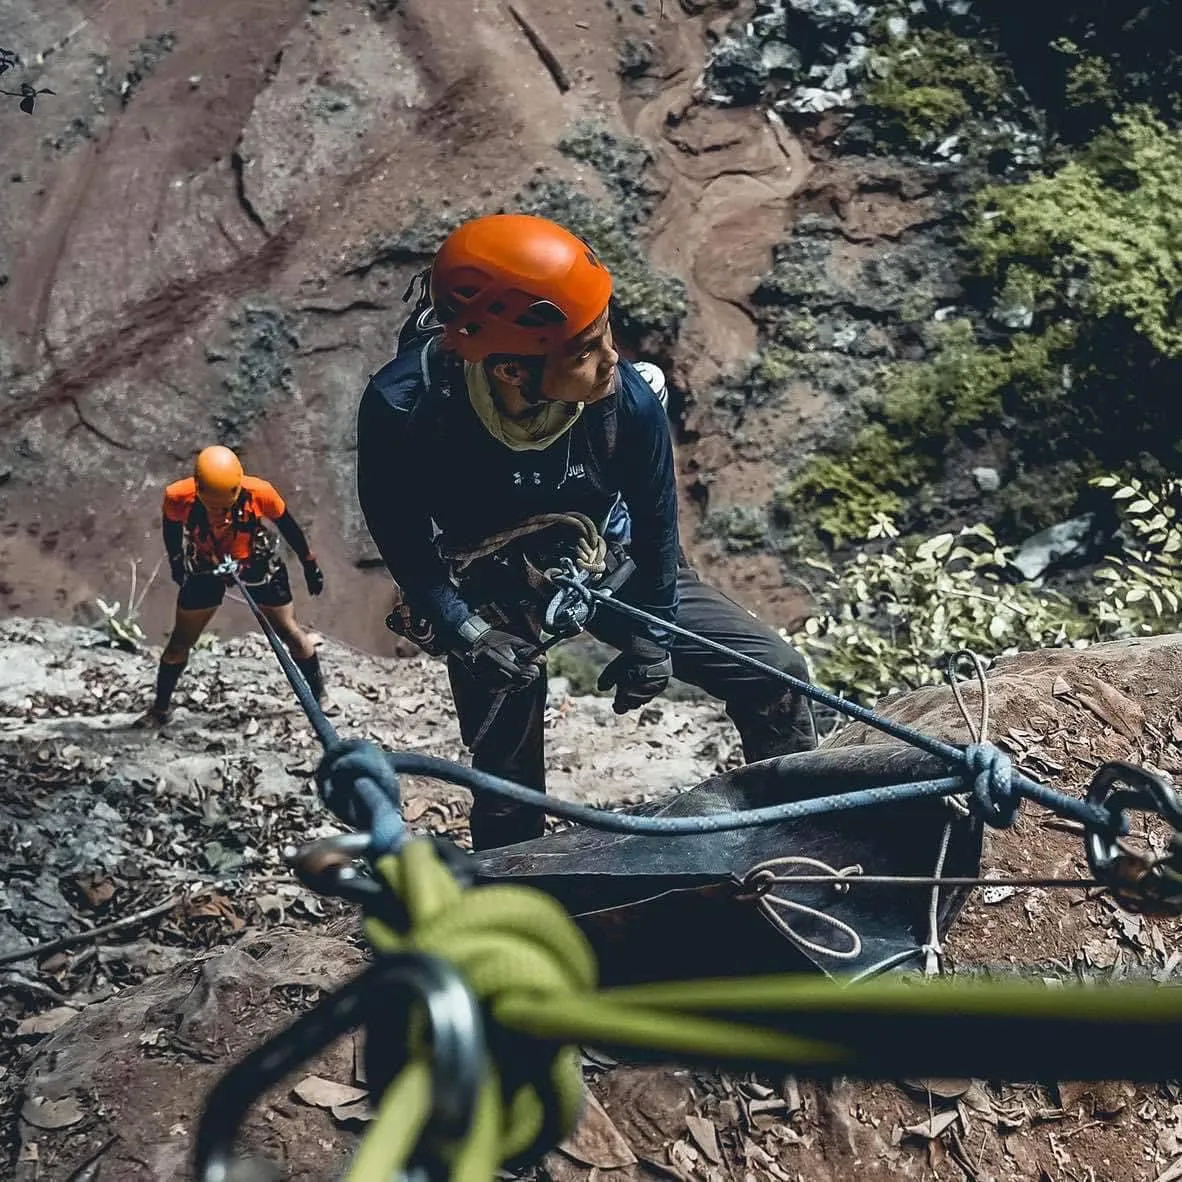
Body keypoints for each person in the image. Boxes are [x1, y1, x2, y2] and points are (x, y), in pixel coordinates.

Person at [356, 212, 817, 851]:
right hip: (486, 576)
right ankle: (514, 895)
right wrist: (465, 628)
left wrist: (654, 636)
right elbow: (398, 530)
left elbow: (658, 528)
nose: (613, 360)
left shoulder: (627, 402)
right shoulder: (406, 407)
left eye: (605, 334)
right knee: (507, 774)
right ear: (511, 370)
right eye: (585, 348)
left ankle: (798, 836)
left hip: (606, 548)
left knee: (774, 671)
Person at [140, 445, 329, 725]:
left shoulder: (259, 492)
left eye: (225, 506)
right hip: (206, 564)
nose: (221, 513)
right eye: (214, 507)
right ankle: (160, 709)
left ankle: (319, 697)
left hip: (256, 563)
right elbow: (171, 530)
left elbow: (288, 526)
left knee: (289, 632)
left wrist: (309, 562)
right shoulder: (178, 497)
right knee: (179, 642)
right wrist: (177, 562)